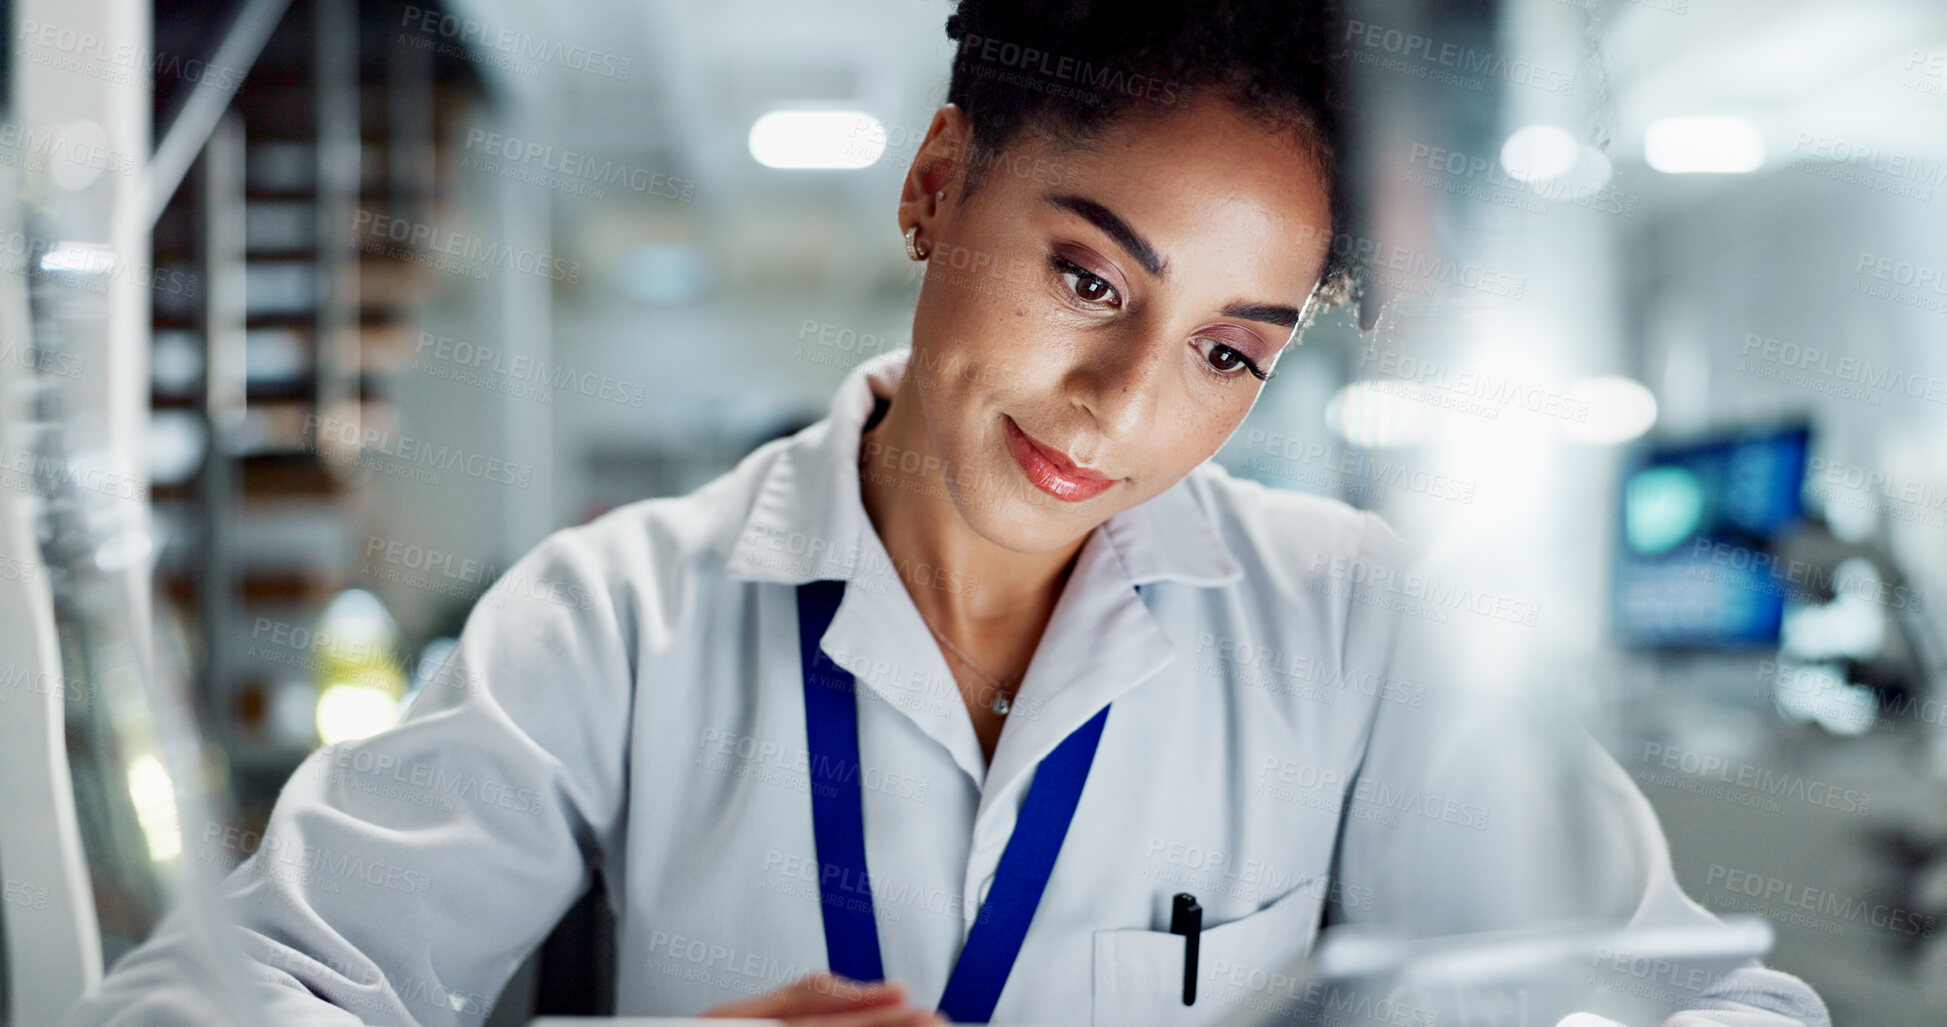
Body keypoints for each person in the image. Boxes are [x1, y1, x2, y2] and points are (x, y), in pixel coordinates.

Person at [67, 1, 1829, 1025]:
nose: (1124, 406)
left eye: (1228, 349)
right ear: (935, 187)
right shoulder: (611, 618)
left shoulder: (1354, 622)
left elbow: (1707, 1006)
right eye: (1085, 276)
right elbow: (207, 1002)